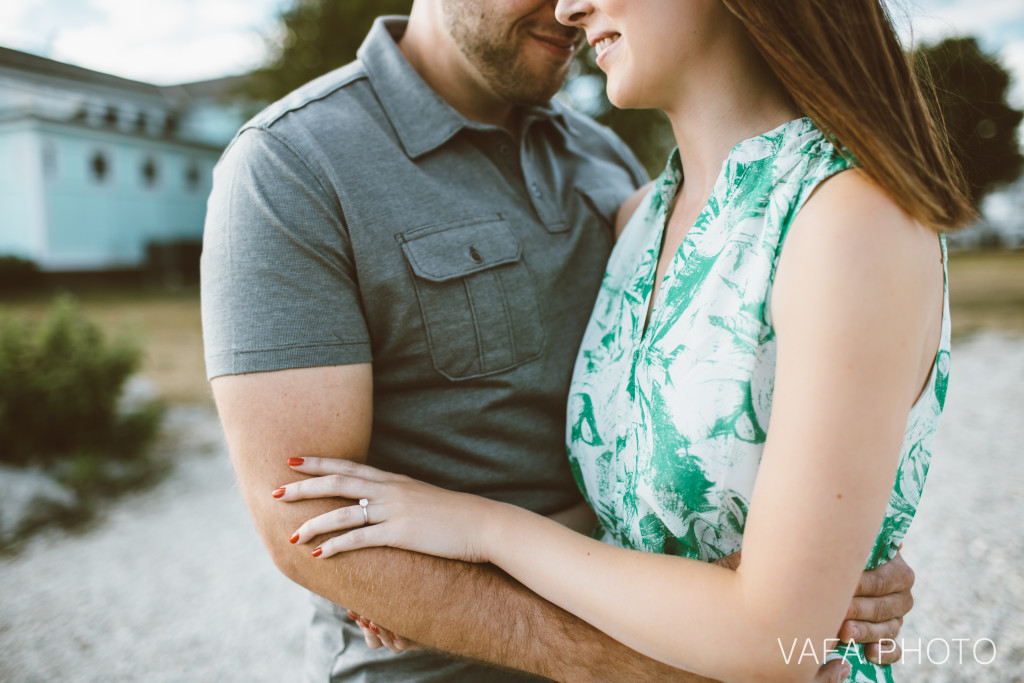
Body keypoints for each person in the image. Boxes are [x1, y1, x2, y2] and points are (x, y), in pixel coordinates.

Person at [202, 2, 920, 681]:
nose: (570, 7)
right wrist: (649, 665)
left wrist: (818, 562)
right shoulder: (290, 165)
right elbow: (307, 516)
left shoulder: (608, 162)